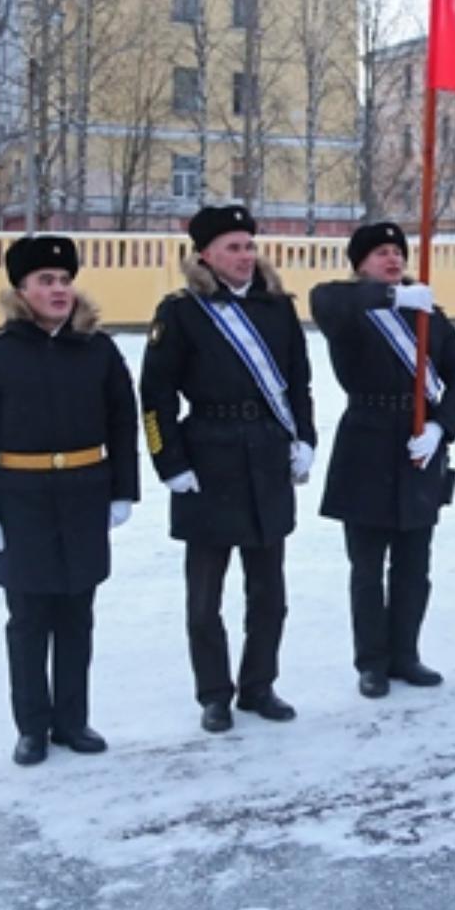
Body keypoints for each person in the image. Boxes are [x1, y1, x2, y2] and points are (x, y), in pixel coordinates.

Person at [0, 237, 139, 766]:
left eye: (63, 279)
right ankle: (31, 726)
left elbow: (123, 422)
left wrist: (123, 491)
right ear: (21, 292)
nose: (58, 290)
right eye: (45, 281)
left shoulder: (98, 350)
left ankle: (73, 721)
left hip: (84, 495)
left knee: (78, 613)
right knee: (29, 619)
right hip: (21, 501)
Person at [141, 205, 315, 734]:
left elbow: (298, 384)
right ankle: (214, 693)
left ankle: (258, 684)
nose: (244, 257)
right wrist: (169, 462)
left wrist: (304, 439)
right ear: (206, 256)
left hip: (266, 455)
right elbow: (155, 396)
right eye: (232, 248)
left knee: (269, 592)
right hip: (208, 457)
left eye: (248, 246)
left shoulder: (276, 308)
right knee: (205, 597)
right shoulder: (181, 312)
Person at [310, 222, 455, 695]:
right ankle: (371, 663)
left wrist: (443, 425)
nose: (393, 259)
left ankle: (406, 654)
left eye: (398, 252)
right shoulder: (352, 308)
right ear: (360, 264)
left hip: (419, 447)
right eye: (381, 252)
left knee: (414, 565)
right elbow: (328, 302)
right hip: (367, 443)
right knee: (367, 568)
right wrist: (393, 299)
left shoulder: (430, 316)